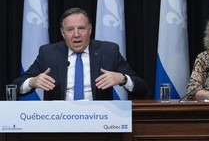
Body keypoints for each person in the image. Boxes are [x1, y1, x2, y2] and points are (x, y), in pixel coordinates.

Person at [13, 7, 147, 100]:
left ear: (90, 29)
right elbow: (15, 87)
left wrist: (122, 78)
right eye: (70, 29)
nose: (76, 34)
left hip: (99, 120)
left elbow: (141, 89)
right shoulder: (48, 53)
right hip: (59, 120)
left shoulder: (108, 51)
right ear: (63, 33)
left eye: (81, 28)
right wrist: (32, 82)